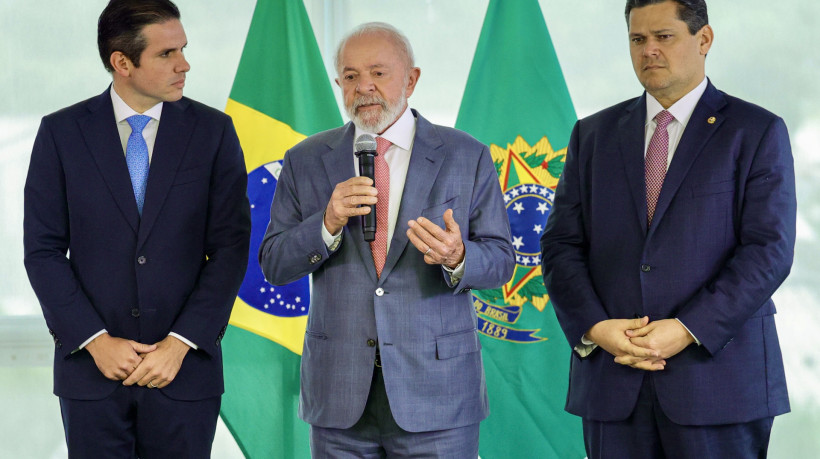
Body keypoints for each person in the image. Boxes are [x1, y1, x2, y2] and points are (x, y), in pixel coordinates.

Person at [540, 0, 795, 457]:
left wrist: (686, 328)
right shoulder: (592, 135)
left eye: (664, 37)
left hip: (718, 384)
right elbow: (561, 246)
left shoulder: (755, 131)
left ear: (704, 40)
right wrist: (596, 327)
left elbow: (768, 251)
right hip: (613, 383)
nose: (649, 50)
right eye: (638, 39)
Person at [259, 22, 514, 458]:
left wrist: (458, 256)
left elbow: (501, 260)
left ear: (411, 80)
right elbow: (275, 263)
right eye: (352, 76)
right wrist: (327, 222)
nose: (365, 88)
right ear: (339, 83)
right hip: (339, 399)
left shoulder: (465, 154)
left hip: (438, 398)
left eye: (379, 73)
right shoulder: (305, 160)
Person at [23, 0, 250, 456]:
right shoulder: (61, 133)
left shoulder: (214, 132)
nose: (184, 64)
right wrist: (95, 341)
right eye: (167, 54)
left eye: (183, 49)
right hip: (92, 375)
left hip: (184, 373)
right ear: (122, 63)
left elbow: (230, 247)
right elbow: (43, 251)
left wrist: (180, 343)